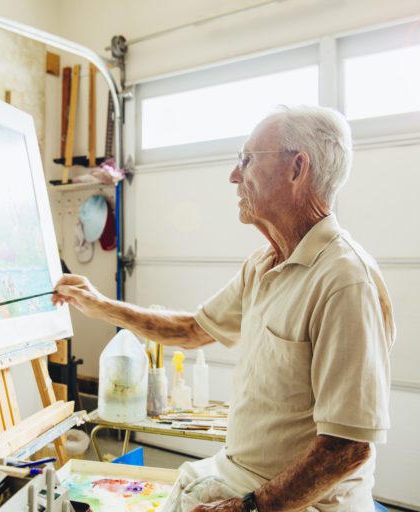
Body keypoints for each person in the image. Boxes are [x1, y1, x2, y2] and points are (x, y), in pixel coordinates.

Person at [52, 105, 395, 512]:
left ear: (297, 168)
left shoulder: (344, 281)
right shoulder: (264, 264)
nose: (234, 175)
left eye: (247, 160)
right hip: (236, 475)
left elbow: (347, 449)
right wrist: (101, 306)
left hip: (302, 503)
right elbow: (192, 330)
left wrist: (246, 508)